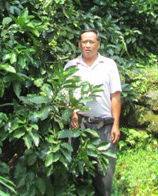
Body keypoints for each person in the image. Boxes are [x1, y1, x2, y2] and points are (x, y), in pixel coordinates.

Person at [64, 29, 122, 196]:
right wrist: (72, 111)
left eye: (91, 42)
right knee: (74, 172)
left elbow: (115, 96)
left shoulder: (109, 65)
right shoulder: (71, 66)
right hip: (78, 126)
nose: (87, 45)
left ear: (98, 44)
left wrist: (116, 124)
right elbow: (65, 94)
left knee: (105, 176)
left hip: (104, 126)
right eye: (84, 42)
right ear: (79, 44)